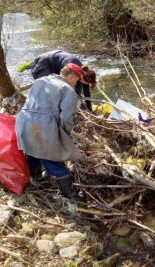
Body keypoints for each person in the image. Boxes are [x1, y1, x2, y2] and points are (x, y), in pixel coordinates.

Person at [16, 63, 85, 200]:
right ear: (71, 77)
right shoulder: (68, 90)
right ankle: (71, 195)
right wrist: (65, 134)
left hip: (22, 122)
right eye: (77, 80)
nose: (77, 84)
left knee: (32, 152)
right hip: (42, 126)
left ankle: (38, 182)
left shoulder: (41, 80)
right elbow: (66, 117)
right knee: (53, 159)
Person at [31, 50, 97, 112]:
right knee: (49, 88)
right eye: (83, 82)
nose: (84, 84)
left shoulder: (84, 74)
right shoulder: (70, 68)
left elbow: (85, 93)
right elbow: (62, 86)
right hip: (45, 62)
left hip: (56, 64)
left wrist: (90, 110)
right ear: (82, 76)